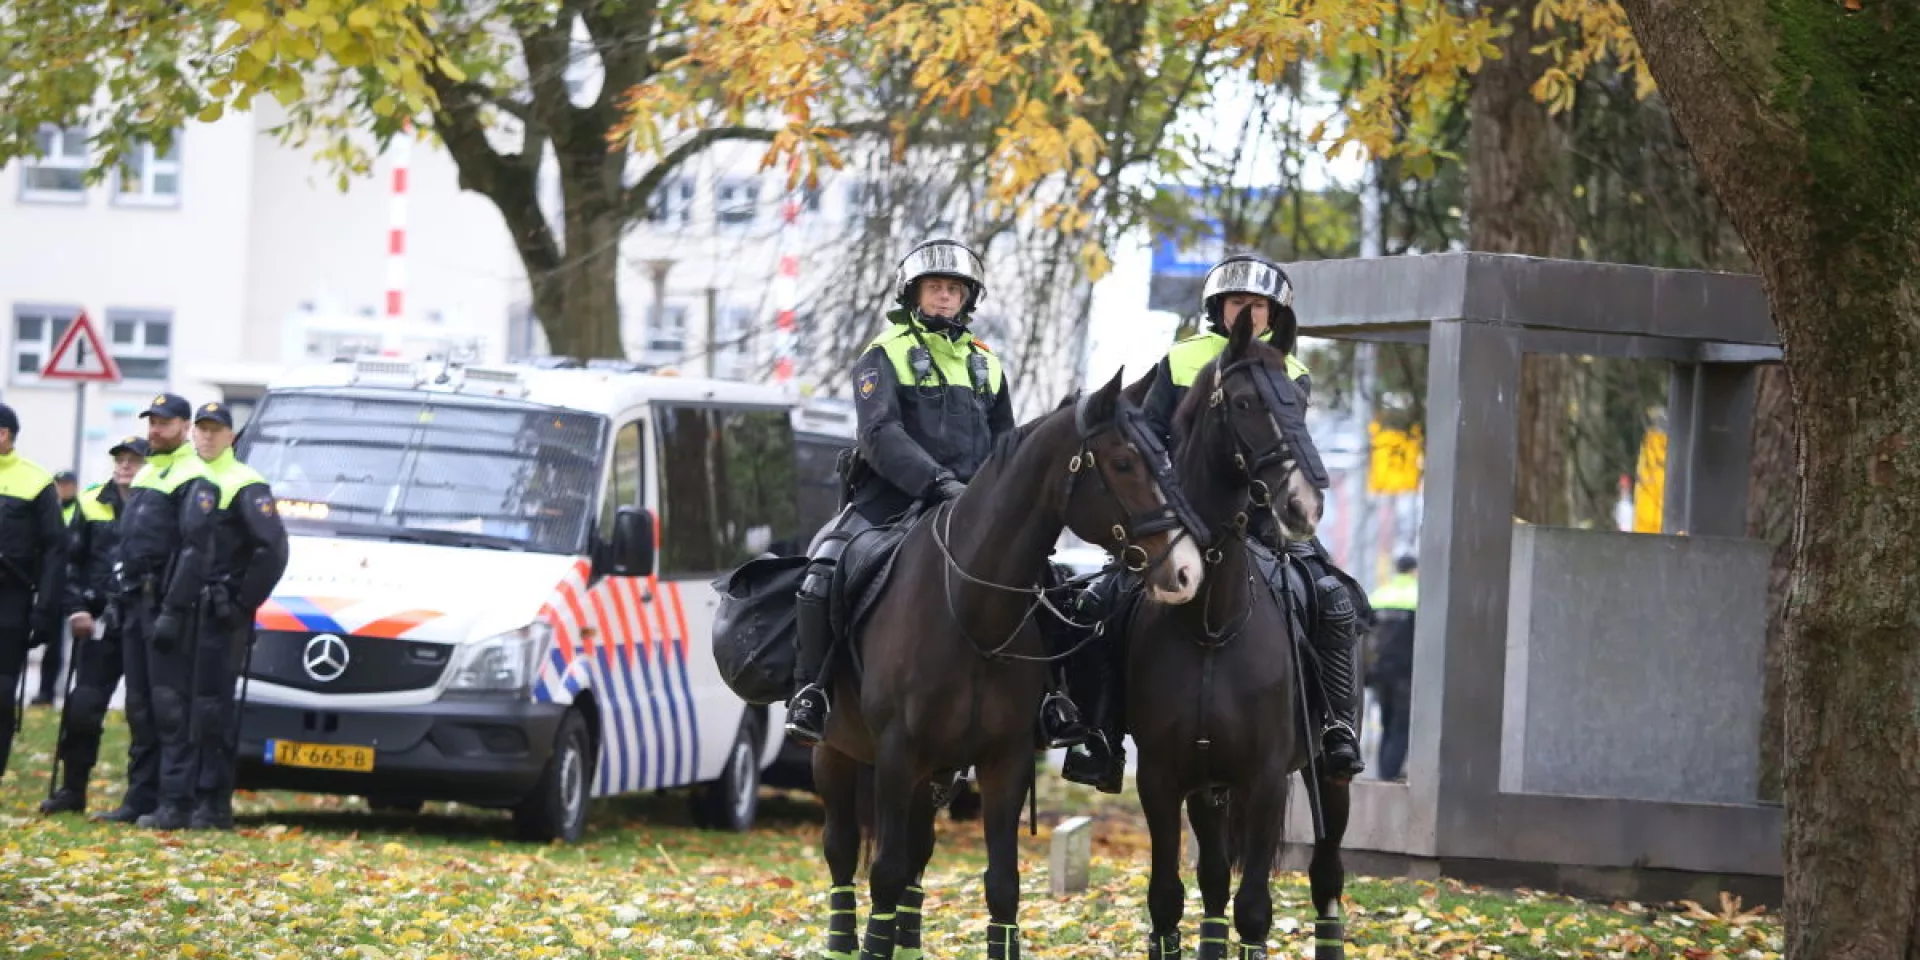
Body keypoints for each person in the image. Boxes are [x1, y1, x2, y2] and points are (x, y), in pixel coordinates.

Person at [1061, 253, 1371, 792]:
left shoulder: (1289, 370)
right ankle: (1101, 734)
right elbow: (1148, 434)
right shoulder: (1181, 361)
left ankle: (1335, 729)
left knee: (1333, 599)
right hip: (1181, 525)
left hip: (1263, 526)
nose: (1247, 313)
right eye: (1237, 303)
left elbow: (1288, 449)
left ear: (1274, 313)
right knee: (1102, 600)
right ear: (1217, 309)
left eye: (1258, 304)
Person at [783, 239, 1089, 749]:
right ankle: (811, 691)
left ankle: (1052, 700)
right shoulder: (884, 354)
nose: (945, 297)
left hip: (974, 505)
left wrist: (993, 499)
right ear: (914, 294)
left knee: (1045, 579)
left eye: (954, 289)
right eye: (935, 288)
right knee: (824, 569)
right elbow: (879, 434)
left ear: (967, 299)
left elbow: (1004, 446)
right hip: (890, 502)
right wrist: (936, 482)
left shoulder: (987, 365)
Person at [97, 393, 218, 830]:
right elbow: (131, 543)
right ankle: (139, 797)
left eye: (165, 423)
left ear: (185, 427)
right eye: (152, 422)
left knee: (171, 709)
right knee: (140, 707)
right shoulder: (151, 472)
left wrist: (173, 610)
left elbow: (195, 551)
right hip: (135, 604)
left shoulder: (194, 475)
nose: (155, 430)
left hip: (169, 608)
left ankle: (175, 803)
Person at [187, 401, 288, 829]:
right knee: (182, 707)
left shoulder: (246, 482)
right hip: (183, 609)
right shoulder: (188, 477)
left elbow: (273, 550)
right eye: (201, 429)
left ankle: (212, 803)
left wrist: (243, 603)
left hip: (221, 613)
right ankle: (181, 795)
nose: (207, 437)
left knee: (213, 709)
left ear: (232, 436)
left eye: (216, 430)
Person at [40, 436, 149, 814]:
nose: (124, 466)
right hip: (99, 621)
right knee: (83, 707)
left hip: (143, 624)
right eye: (120, 459)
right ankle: (72, 790)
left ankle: (140, 799)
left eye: (134, 460)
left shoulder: (158, 504)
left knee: (144, 713)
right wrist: (75, 609)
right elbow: (71, 564)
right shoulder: (90, 502)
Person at [0, 402, 68, 781]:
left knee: (1, 690)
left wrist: (46, 608)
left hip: (10, 598)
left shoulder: (36, 481)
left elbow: (55, 548)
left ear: (4, 434)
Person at [30, 470, 82, 707]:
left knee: (74, 643)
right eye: (59, 484)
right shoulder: (48, 508)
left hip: (72, 584)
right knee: (51, 641)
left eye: (67, 484)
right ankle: (46, 691)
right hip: (51, 584)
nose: (63, 488)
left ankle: (72, 691)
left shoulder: (80, 510)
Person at [1367, 555, 1418, 782]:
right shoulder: (1419, 596)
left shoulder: (1379, 595)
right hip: (1405, 673)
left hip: (1379, 672)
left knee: (1386, 725)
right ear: (1414, 571)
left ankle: (1383, 775)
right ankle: (1389, 778)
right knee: (1400, 727)